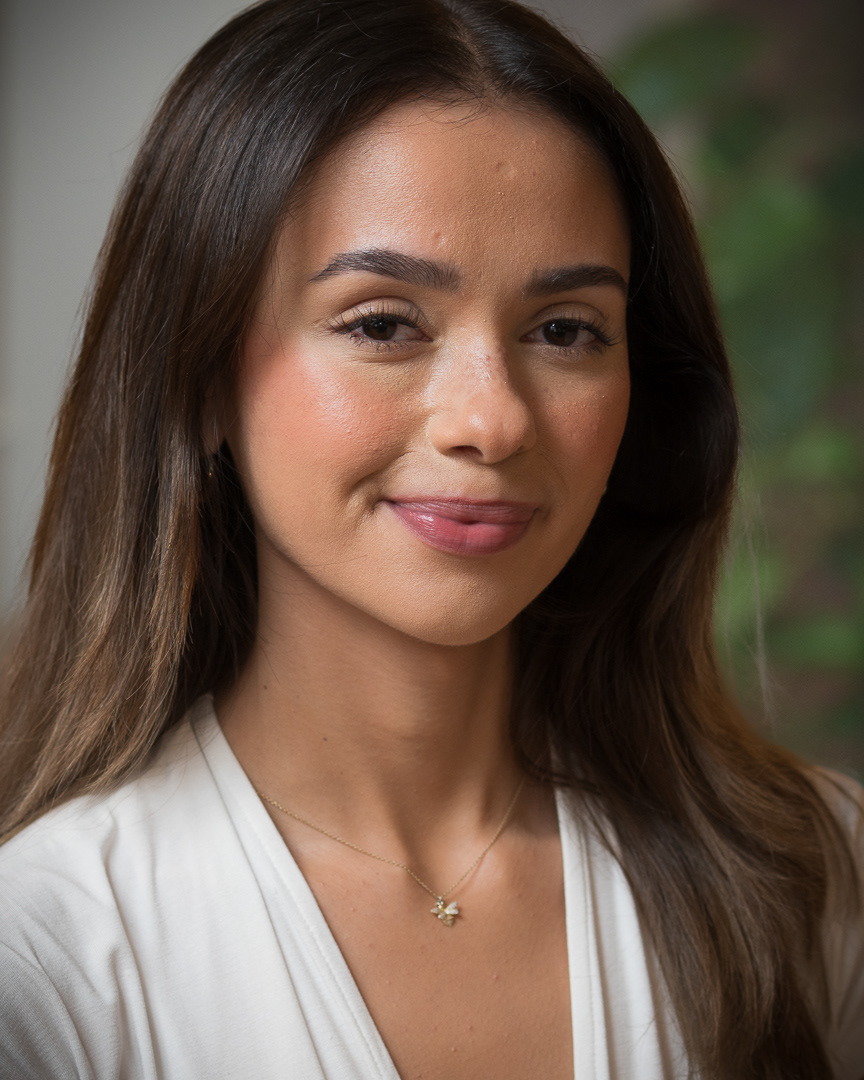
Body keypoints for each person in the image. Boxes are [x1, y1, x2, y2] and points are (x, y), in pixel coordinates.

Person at [0, 0, 861, 1077]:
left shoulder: (816, 881)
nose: (491, 421)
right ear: (202, 376)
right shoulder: (45, 963)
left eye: (565, 331)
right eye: (383, 324)